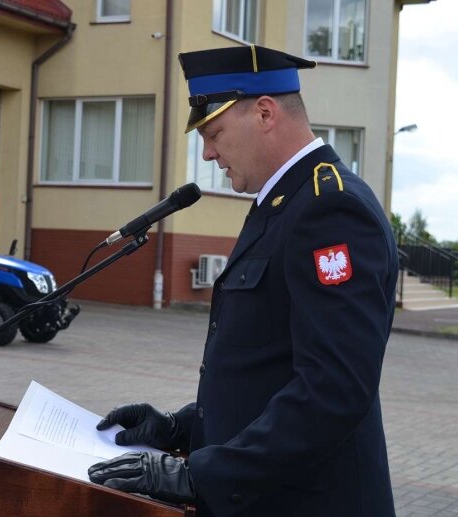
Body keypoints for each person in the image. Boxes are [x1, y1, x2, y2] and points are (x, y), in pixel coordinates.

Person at [87, 44, 399, 517]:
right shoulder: (282, 204)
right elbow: (268, 371)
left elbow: (334, 388)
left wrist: (198, 475)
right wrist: (178, 429)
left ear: (266, 113)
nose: (208, 153)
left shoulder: (329, 209)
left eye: (213, 133)